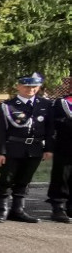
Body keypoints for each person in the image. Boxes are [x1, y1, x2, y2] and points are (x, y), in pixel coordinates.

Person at [0, 73, 55, 223]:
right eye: (26, 86)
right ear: (18, 86)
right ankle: (2, 210)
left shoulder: (45, 105)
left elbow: (50, 129)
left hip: (35, 148)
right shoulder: (6, 106)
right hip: (13, 148)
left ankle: (18, 210)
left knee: (25, 180)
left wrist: (49, 149)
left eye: (34, 86)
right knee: (6, 179)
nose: (30, 89)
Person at [47, 92, 72, 223]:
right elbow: (54, 125)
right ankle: (58, 207)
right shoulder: (63, 102)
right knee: (62, 176)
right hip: (66, 147)